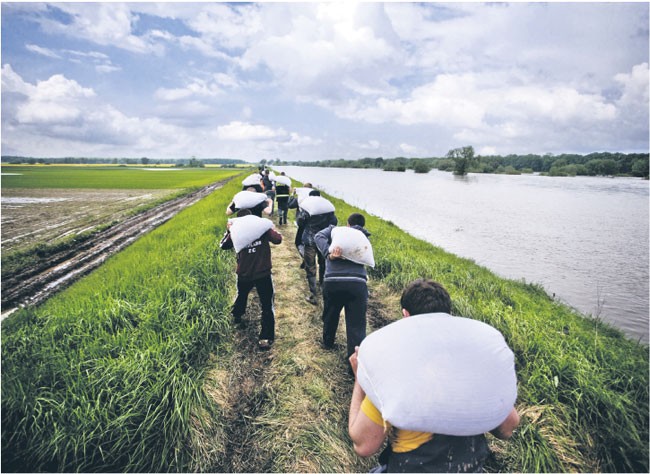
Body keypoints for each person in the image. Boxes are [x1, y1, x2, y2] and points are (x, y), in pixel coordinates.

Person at [348, 279, 520, 473]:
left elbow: (363, 446)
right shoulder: (472, 369)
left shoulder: (394, 369)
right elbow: (508, 428)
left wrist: (360, 380)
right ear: (449, 315)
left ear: (405, 316)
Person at [219, 209, 283, 350]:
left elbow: (223, 245)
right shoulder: (262, 228)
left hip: (244, 274)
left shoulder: (236, 230)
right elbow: (278, 239)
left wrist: (229, 231)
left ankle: (237, 315)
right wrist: (271, 228)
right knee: (267, 305)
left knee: (242, 295)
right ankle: (265, 338)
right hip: (263, 273)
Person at [314, 213, 370, 357]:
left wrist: (329, 253)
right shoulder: (363, 236)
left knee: (331, 313)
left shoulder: (335, 230)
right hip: (357, 283)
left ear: (347, 224)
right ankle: (354, 360)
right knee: (356, 324)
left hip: (333, 281)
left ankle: (328, 342)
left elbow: (318, 236)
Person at [297, 190, 337, 304]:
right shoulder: (327, 207)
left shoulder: (308, 207)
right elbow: (334, 222)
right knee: (323, 263)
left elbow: (300, 222)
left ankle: (313, 295)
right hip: (323, 240)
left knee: (310, 266)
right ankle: (323, 287)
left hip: (309, 241)